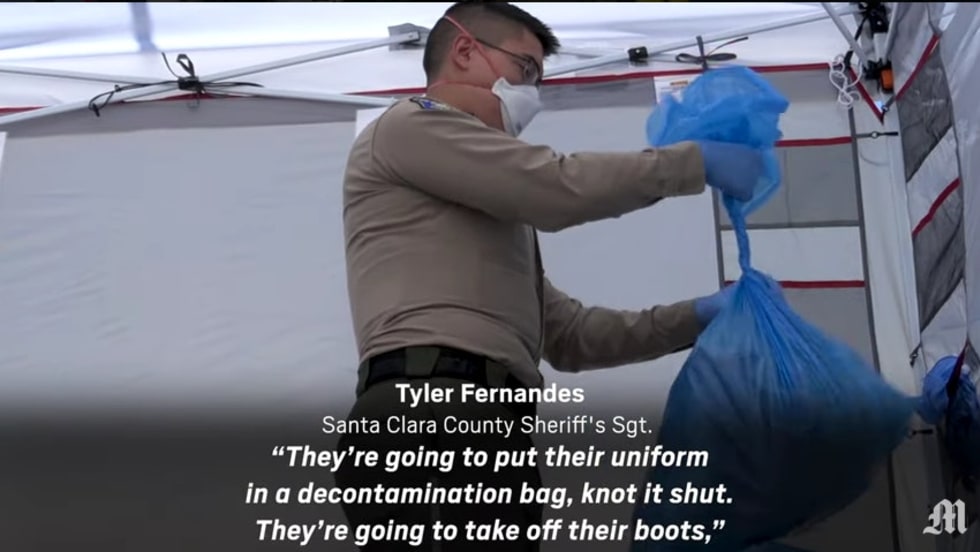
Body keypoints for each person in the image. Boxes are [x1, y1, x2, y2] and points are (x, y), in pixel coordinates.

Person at [334, 2, 764, 550]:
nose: (531, 92)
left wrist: (698, 317)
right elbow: (555, 187)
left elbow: (569, 335)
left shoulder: (486, 210)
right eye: (525, 69)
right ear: (464, 51)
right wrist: (690, 164)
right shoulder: (411, 124)